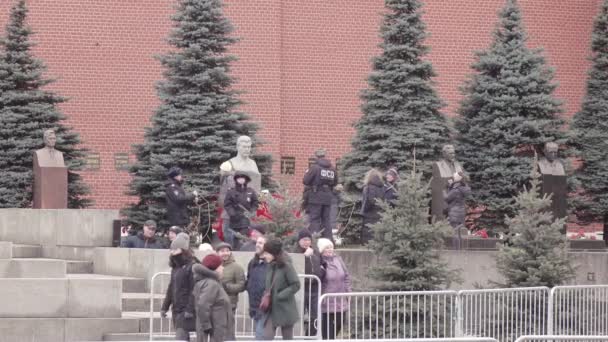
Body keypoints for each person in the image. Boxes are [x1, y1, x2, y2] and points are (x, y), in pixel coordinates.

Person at [261, 239, 301, 340]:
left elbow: (296, 284)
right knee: (266, 337)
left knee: (287, 338)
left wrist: (280, 295)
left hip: (285, 308)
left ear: (274, 253)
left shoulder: (287, 266)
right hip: (271, 308)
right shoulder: (270, 266)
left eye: (266, 253)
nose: (264, 256)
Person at [160, 233, 196, 340]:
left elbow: (194, 290)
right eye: (171, 249)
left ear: (183, 250)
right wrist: (165, 307)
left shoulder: (192, 266)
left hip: (187, 309)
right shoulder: (176, 267)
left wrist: (190, 309)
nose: (172, 252)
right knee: (183, 337)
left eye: (175, 249)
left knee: (180, 337)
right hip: (177, 308)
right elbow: (171, 288)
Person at [193, 254, 233, 342]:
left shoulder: (209, 282)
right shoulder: (212, 284)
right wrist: (206, 326)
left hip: (215, 330)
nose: (223, 268)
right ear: (214, 268)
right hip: (214, 331)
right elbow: (203, 305)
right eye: (220, 266)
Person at [317, 238, 352, 340]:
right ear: (321, 249)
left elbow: (346, 276)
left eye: (331, 247)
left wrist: (348, 291)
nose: (330, 249)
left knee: (339, 325)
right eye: (327, 247)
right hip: (327, 302)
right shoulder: (320, 262)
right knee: (328, 333)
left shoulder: (338, 259)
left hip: (341, 300)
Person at [292, 229, 323, 336]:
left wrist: (322, 272)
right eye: (304, 240)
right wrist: (304, 256)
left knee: (315, 316)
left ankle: (309, 337)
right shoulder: (295, 252)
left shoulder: (315, 251)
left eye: (308, 240)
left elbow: (322, 264)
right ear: (299, 241)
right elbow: (295, 268)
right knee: (298, 316)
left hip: (314, 289)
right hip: (301, 288)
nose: (306, 242)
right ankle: (297, 337)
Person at [303, 148, 338, 240]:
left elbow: (305, 181)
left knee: (314, 218)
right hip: (328, 197)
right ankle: (328, 240)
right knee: (326, 219)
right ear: (324, 156)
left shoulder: (314, 168)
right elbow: (335, 182)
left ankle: (315, 240)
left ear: (316, 157)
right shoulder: (332, 169)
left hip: (315, 196)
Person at [215, 242, 246, 340]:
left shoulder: (237, 267)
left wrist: (226, 286)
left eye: (227, 251)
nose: (225, 253)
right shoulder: (214, 265)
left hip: (229, 304)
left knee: (228, 331)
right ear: (217, 253)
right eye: (222, 251)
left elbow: (242, 286)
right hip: (214, 304)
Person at [223, 172, 259, 250]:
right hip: (234, 219)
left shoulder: (251, 191)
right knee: (234, 238)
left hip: (245, 218)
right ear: (236, 180)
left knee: (244, 238)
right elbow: (227, 204)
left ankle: (244, 251)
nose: (241, 180)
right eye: (239, 178)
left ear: (246, 180)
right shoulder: (231, 192)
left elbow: (255, 203)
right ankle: (235, 251)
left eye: (243, 178)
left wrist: (252, 212)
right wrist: (232, 213)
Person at [246, 236, 268, 340]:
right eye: (257, 243)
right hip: (254, 305)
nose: (257, 245)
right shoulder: (252, 262)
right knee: (259, 335)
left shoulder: (271, 263)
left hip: (265, 306)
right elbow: (249, 280)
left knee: (260, 336)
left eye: (261, 243)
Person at [444, 171, 471, 250]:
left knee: (455, 232)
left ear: (459, 178)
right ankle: (459, 250)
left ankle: (456, 251)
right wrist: (451, 185)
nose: (453, 178)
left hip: (454, 212)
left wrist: (445, 189)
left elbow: (447, 198)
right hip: (461, 212)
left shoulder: (456, 189)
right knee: (458, 232)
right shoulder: (462, 188)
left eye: (454, 177)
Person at [360, 168, 385, 244]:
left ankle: (367, 244)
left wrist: (365, 210)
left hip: (370, 212)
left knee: (368, 230)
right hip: (379, 212)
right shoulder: (382, 188)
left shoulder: (368, 187)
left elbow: (370, 201)